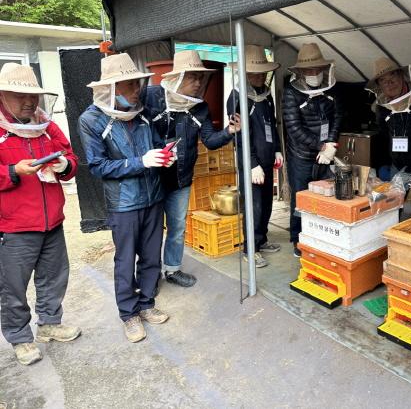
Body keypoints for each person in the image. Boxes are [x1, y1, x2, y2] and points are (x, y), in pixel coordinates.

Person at [79, 53, 173, 343]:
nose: (137, 90)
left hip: (153, 196)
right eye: (130, 85)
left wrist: (164, 155)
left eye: (137, 84)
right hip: (123, 203)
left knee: (150, 256)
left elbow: (155, 146)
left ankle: (146, 304)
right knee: (124, 260)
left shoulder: (142, 113)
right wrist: (141, 162)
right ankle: (128, 314)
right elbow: (98, 166)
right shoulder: (91, 119)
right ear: (111, 88)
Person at [0, 63, 80, 365]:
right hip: (14, 228)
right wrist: (12, 171)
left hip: (53, 222)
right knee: (12, 288)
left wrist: (63, 166)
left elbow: (70, 156)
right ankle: (20, 338)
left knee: (54, 278)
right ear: (3, 96)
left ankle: (49, 324)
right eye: (20, 95)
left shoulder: (46, 124)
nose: (29, 102)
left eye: (33, 95)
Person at [143, 50, 240, 286]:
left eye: (200, 78)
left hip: (181, 179)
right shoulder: (151, 97)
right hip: (151, 179)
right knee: (152, 232)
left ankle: (173, 269)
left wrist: (229, 131)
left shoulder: (200, 108)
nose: (197, 83)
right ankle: (149, 276)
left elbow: (209, 140)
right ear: (176, 78)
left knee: (177, 228)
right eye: (192, 77)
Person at [282, 43, 343, 257]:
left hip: (326, 153)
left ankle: (320, 236)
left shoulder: (332, 87)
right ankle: (298, 239)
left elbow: (337, 117)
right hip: (301, 155)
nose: (314, 74)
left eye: (317, 69)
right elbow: (293, 127)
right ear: (300, 72)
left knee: (326, 194)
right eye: (308, 70)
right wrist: (320, 146)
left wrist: (331, 145)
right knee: (301, 197)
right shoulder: (291, 92)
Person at [227, 45, 283, 268]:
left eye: (262, 72)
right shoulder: (236, 98)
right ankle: (250, 249)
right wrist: (252, 163)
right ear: (245, 74)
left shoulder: (266, 96)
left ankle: (262, 238)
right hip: (251, 163)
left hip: (268, 159)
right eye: (254, 73)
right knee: (254, 206)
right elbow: (239, 135)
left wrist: (277, 149)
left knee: (267, 204)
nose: (259, 77)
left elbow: (273, 123)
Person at [366, 57, 411, 213]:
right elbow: (385, 136)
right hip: (399, 166)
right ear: (379, 85)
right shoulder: (382, 108)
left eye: (392, 76)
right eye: (383, 80)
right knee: (393, 206)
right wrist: (382, 165)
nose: (389, 83)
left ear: (401, 75)